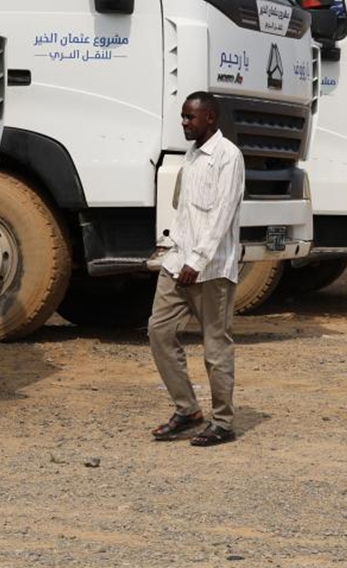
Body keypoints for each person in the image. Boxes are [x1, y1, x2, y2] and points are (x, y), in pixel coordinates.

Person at [148, 91, 245, 447]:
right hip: (178, 262)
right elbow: (185, 212)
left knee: (215, 346)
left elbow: (222, 215)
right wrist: (172, 249)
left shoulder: (227, 157)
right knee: (159, 332)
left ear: (210, 118)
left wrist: (197, 260)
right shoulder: (190, 156)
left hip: (211, 270)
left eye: (190, 117)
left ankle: (223, 422)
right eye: (183, 117)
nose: (184, 123)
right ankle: (187, 410)